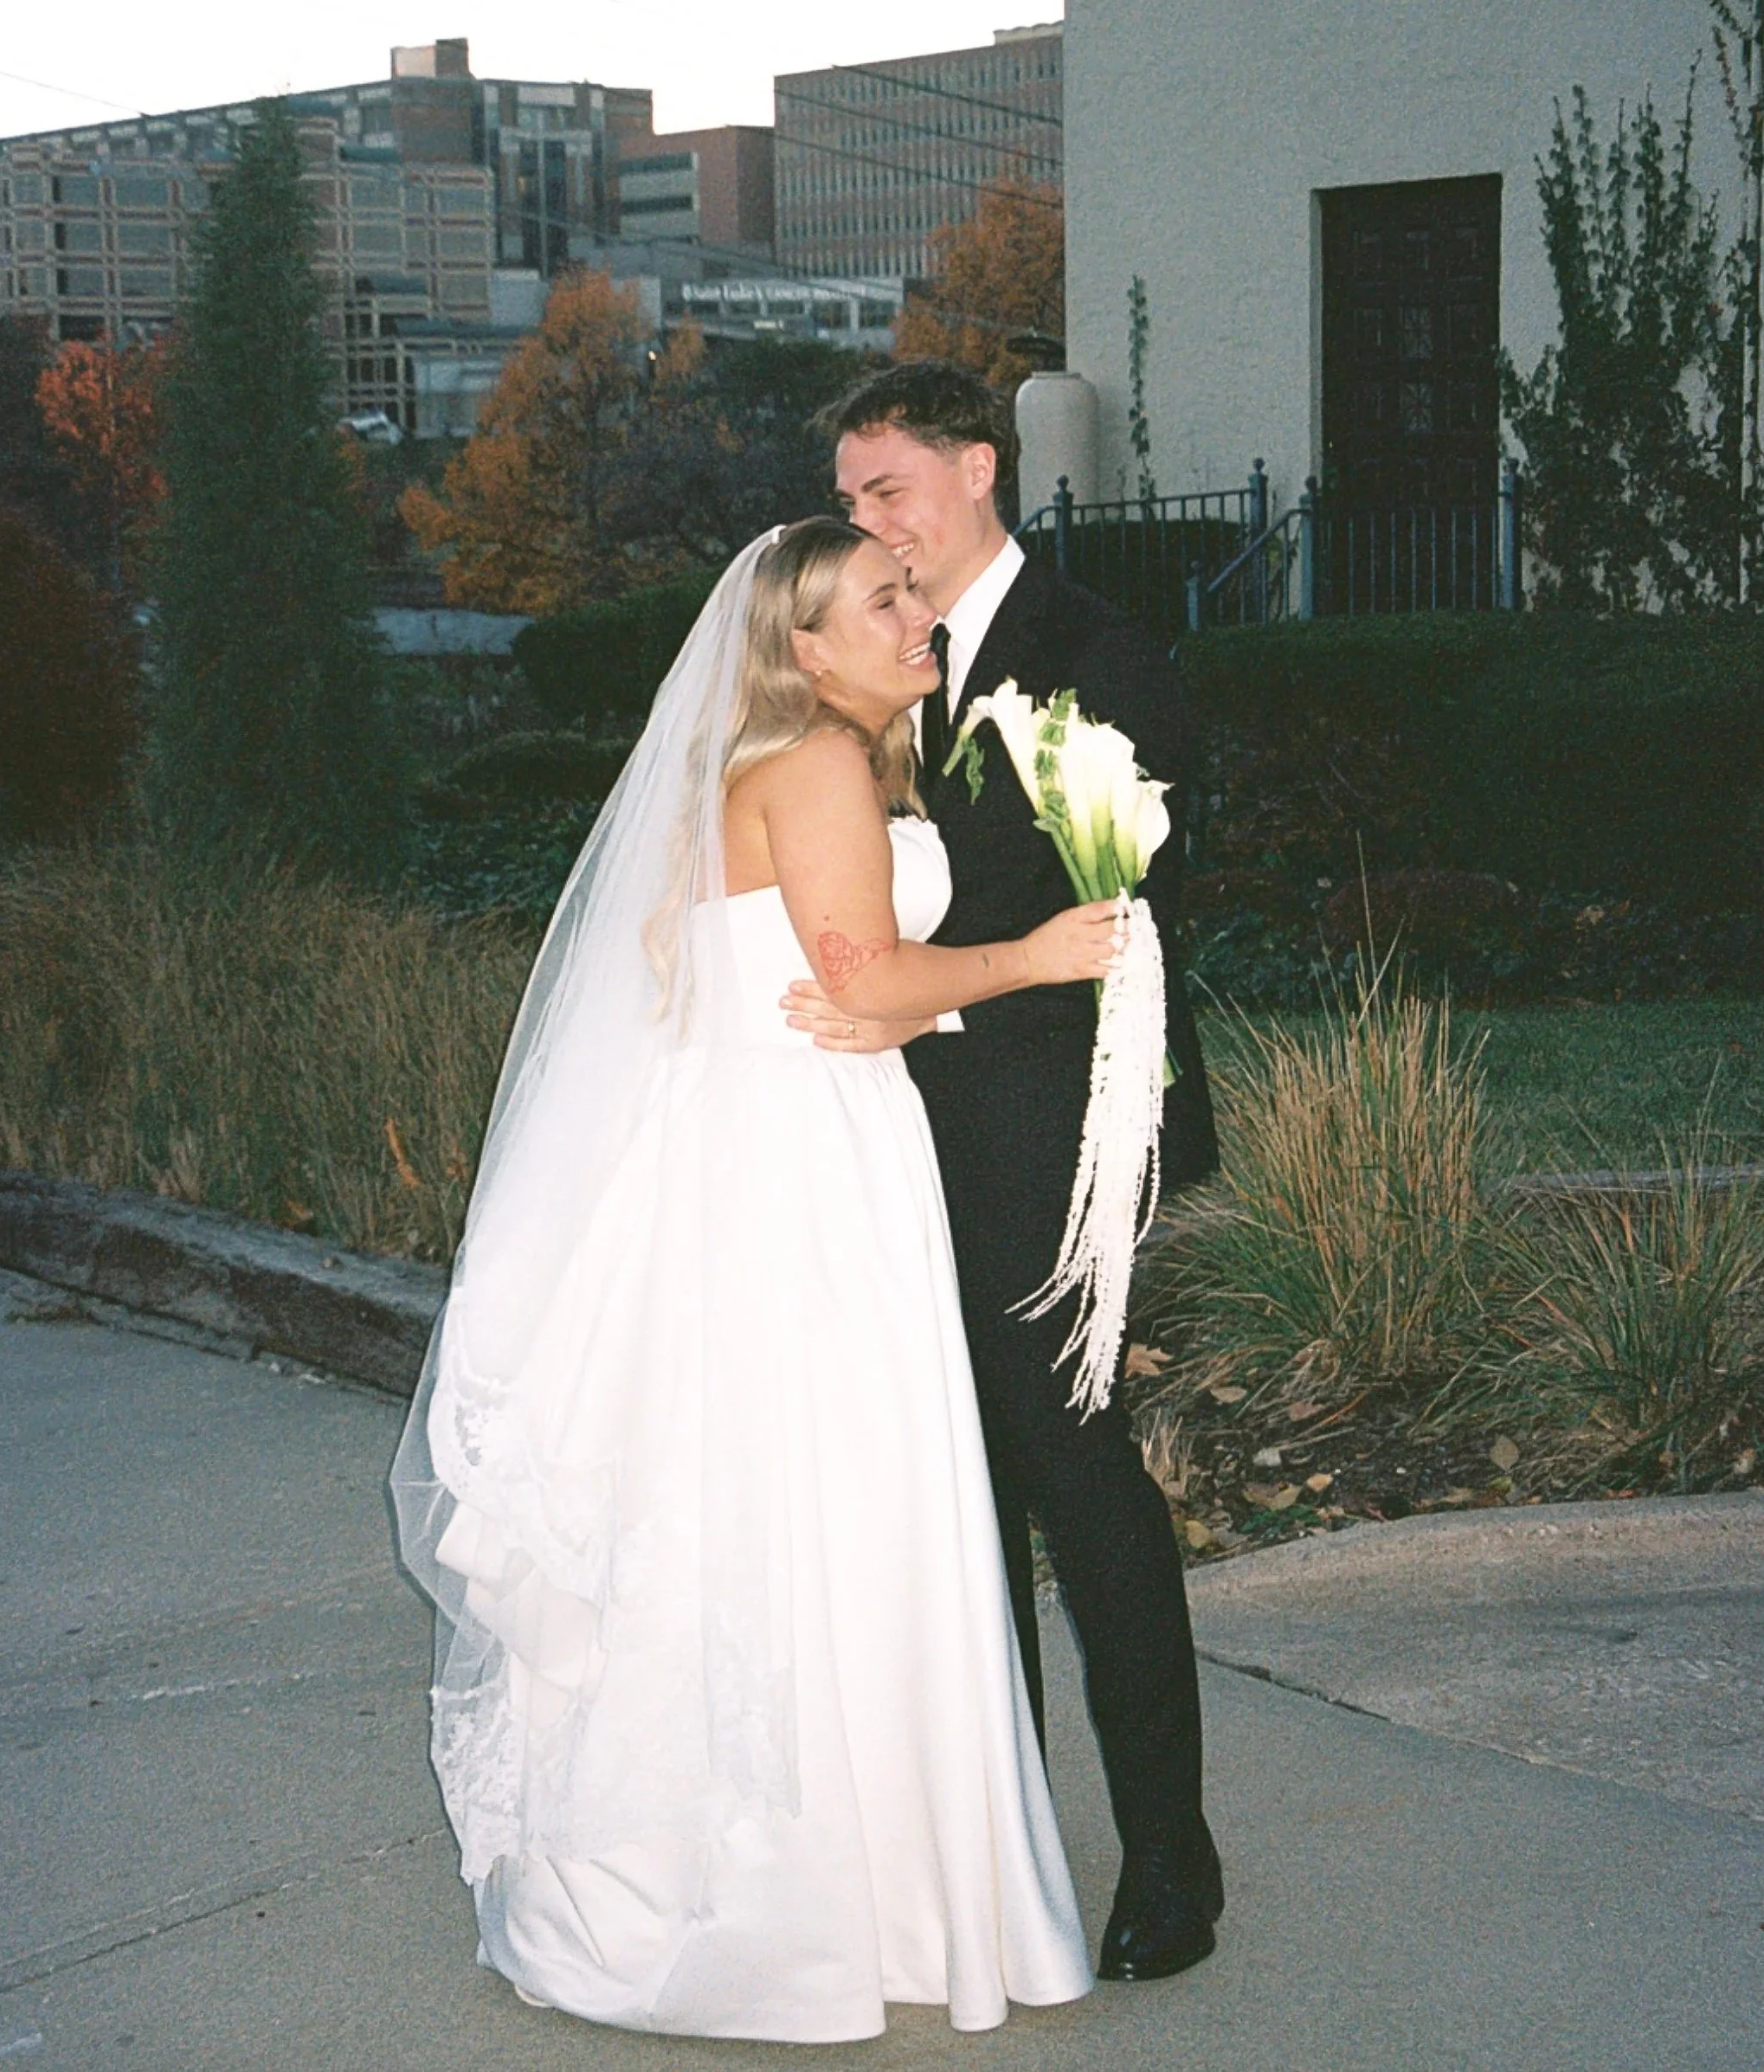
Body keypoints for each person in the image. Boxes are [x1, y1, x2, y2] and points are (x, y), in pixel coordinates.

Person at [390, 518, 1117, 2042]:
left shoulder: (758, 772)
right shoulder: (819, 767)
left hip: (751, 1146)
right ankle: (839, 1897)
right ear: (803, 646)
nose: (914, 614)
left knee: (754, 1503)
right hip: (806, 1166)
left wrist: (909, 1008)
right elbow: (859, 982)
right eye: (881, 600)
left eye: (910, 590)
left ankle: (813, 1873)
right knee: (836, 1495)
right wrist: (1036, 960)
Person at [789, 361, 1226, 1983]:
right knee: (946, 1490)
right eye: (849, 502)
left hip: (1056, 1129)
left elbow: (1143, 877)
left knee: (1073, 1470)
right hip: (890, 1136)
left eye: (888, 489)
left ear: (980, 470)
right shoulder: (865, 671)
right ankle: (999, 1848)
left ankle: (1172, 1860)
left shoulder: (1097, 650)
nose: (869, 524)